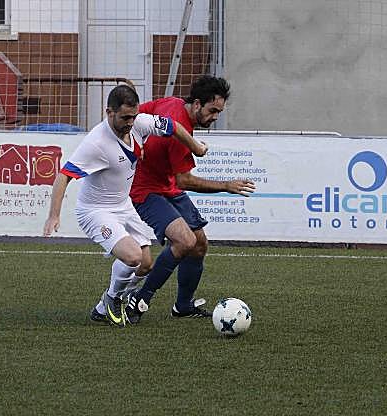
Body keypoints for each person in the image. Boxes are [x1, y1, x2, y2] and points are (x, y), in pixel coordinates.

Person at [43, 84, 207, 327]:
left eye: (133, 116)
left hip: (124, 206)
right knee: (132, 257)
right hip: (96, 211)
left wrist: (196, 147)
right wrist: (53, 216)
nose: (130, 122)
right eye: (125, 117)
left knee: (146, 264)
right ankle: (112, 298)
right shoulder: (96, 143)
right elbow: (63, 176)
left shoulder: (138, 123)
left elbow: (173, 127)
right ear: (109, 112)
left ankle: (102, 309)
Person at [123, 75, 255, 323]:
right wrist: (226, 186)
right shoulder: (179, 136)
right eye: (212, 110)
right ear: (196, 104)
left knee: (199, 244)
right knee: (185, 241)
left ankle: (183, 305)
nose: (215, 117)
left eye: (219, 112)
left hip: (167, 186)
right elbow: (184, 180)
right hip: (144, 190)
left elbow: (137, 114)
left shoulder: (172, 102)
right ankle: (139, 299)